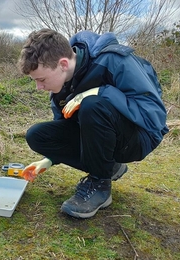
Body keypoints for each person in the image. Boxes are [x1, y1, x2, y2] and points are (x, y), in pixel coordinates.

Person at [17, 28, 168, 219]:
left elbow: (153, 115)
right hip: (103, 138)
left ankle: (99, 186)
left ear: (63, 64)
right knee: (37, 135)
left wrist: (99, 92)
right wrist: (48, 160)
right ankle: (110, 167)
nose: (39, 87)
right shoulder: (60, 89)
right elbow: (67, 131)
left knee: (92, 105)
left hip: (139, 137)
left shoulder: (115, 61)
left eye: (41, 79)